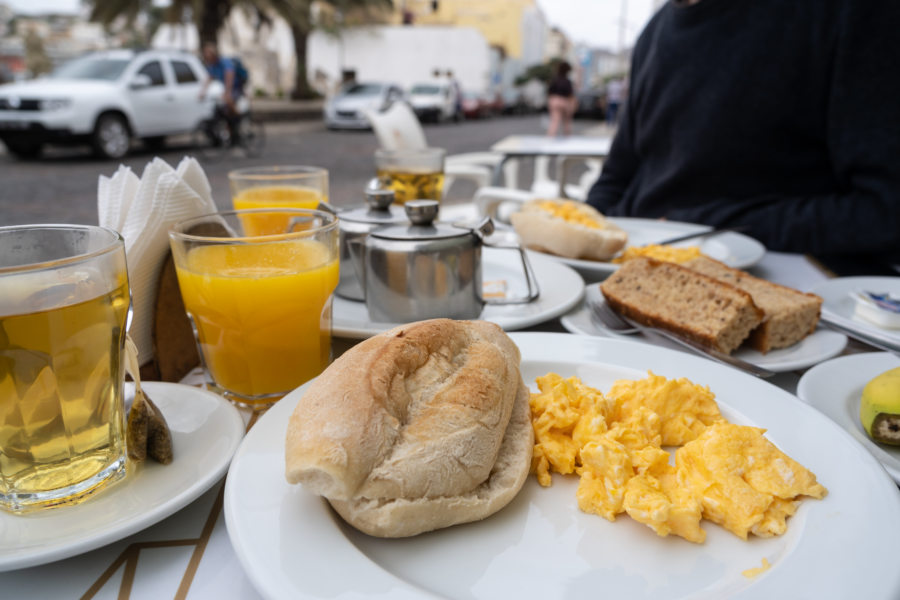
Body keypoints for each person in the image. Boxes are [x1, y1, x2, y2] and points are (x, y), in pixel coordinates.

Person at [587, 0, 900, 260]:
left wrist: (700, 226)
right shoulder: (654, 32)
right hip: (623, 270)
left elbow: (884, 211)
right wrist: (581, 236)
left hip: (776, 286)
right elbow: (615, 179)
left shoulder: (849, 13)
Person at [199, 41, 247, 141]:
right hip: (227, 88)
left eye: (207, 53)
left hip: (236, 87)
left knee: (228, 101)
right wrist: (202, 92)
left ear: (213, 54)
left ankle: (239, 117)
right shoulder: (212, 66)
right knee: (222, 109)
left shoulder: (224, 62)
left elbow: (229, 76)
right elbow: (209, 79)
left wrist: (227, 92)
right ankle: (230, 126)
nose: (205, 55)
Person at [546, 60, 575, 137]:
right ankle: (567, 138)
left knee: (554, 121)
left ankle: (550, 138)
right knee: (566, 122)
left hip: (554, 100)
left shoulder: (554, 80)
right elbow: (570, 94)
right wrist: (572, 106)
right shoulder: (567, 81)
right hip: (564, 101)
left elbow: (549, 92)